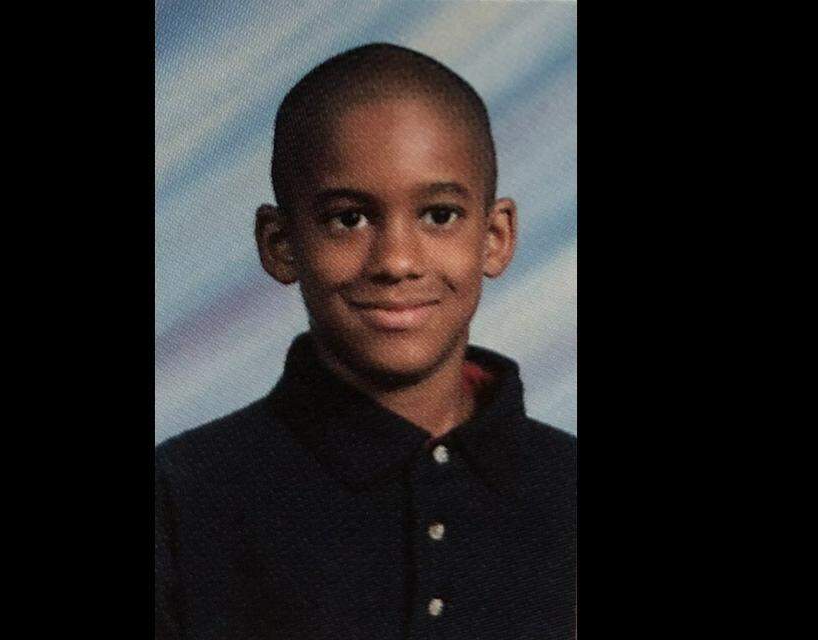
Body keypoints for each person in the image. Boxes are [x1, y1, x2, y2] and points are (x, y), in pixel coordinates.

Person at [155, 43, 576, 639]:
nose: (396, 262)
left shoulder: (566, 487)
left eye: (439, 215)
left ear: (495, 237)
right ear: (280, 244)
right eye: (348, 218)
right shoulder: (181, 498)